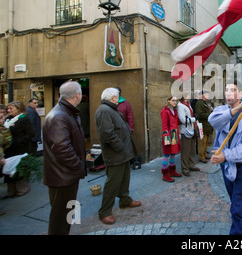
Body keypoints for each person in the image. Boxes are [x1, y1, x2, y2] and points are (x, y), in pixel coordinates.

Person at [209, 79, 242, 235]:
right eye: (226, 90)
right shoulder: (220, 110)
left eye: (233, 90)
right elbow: (213, 121)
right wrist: (237, 108)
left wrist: (226, 155)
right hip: (226, 167)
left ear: (241, 94)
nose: (229, 93)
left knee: (237, 208)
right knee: (235, 200)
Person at [42, 81, 86, 235]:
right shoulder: (60, 116)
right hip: (62, 177)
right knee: (60, 217)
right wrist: (79, 166)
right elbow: (62, 149)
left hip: (66, 175)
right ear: (77, 95)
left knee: (67, 212)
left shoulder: (66, 113)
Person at [94, 88, 141, 225]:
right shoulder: (104, 110)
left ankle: (124, 200)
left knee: (124, 178)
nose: (119, 98)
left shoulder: (112, 109)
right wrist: (121, 147)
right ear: (113, 97)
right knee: (113, 182)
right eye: (117, 96)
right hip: (116, 154)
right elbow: (107, 134)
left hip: (123, 153)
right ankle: (105, 212)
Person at [3, 101, 34, 198]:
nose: (8, 110)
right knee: (9, 169)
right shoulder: (7, 119)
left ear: (19, 109)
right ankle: (11, 190)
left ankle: (22, 189)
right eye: (8, 109)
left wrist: (20, 140)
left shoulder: (24, 119)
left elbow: (30, 134)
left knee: (19, 169)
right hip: (9, 149)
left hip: (20, 149)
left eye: (11, 108)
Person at [177, 93, 200, 176]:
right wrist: (194, 119)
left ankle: (191, 165)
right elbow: (183, 120)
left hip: (192, 128)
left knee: (192, 149)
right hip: (185, 130)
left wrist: (194, 116)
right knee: (186, 151)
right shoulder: (180, 105)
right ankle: (185, 168)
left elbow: (189, 115)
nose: (188, 95)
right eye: (187, 94)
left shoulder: (188, 104)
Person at [160, 95, 182, 182]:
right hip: (168, 135)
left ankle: (172, 170)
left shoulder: (174, 111)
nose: (175, 102)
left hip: (174, 134)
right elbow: (164, 126)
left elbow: (177, 122)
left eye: (176, 101)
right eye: (173, 100)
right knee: (166, 154)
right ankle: (165, 174)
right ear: (168, 100)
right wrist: (166, 138)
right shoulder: (165, 111)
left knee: (173, 154)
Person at [195, 91, 213, 162]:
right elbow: (200, 114)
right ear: (202, 95)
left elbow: (206, 113)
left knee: (206, 141)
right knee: (202, 141)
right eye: (207, 94)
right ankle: (201, 157)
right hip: (202, 125)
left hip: (207, 125)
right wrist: (210, 115)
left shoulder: (204, 103)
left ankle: (205, 154)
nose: (208, 96)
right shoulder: (199, 103)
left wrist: (210, 112)